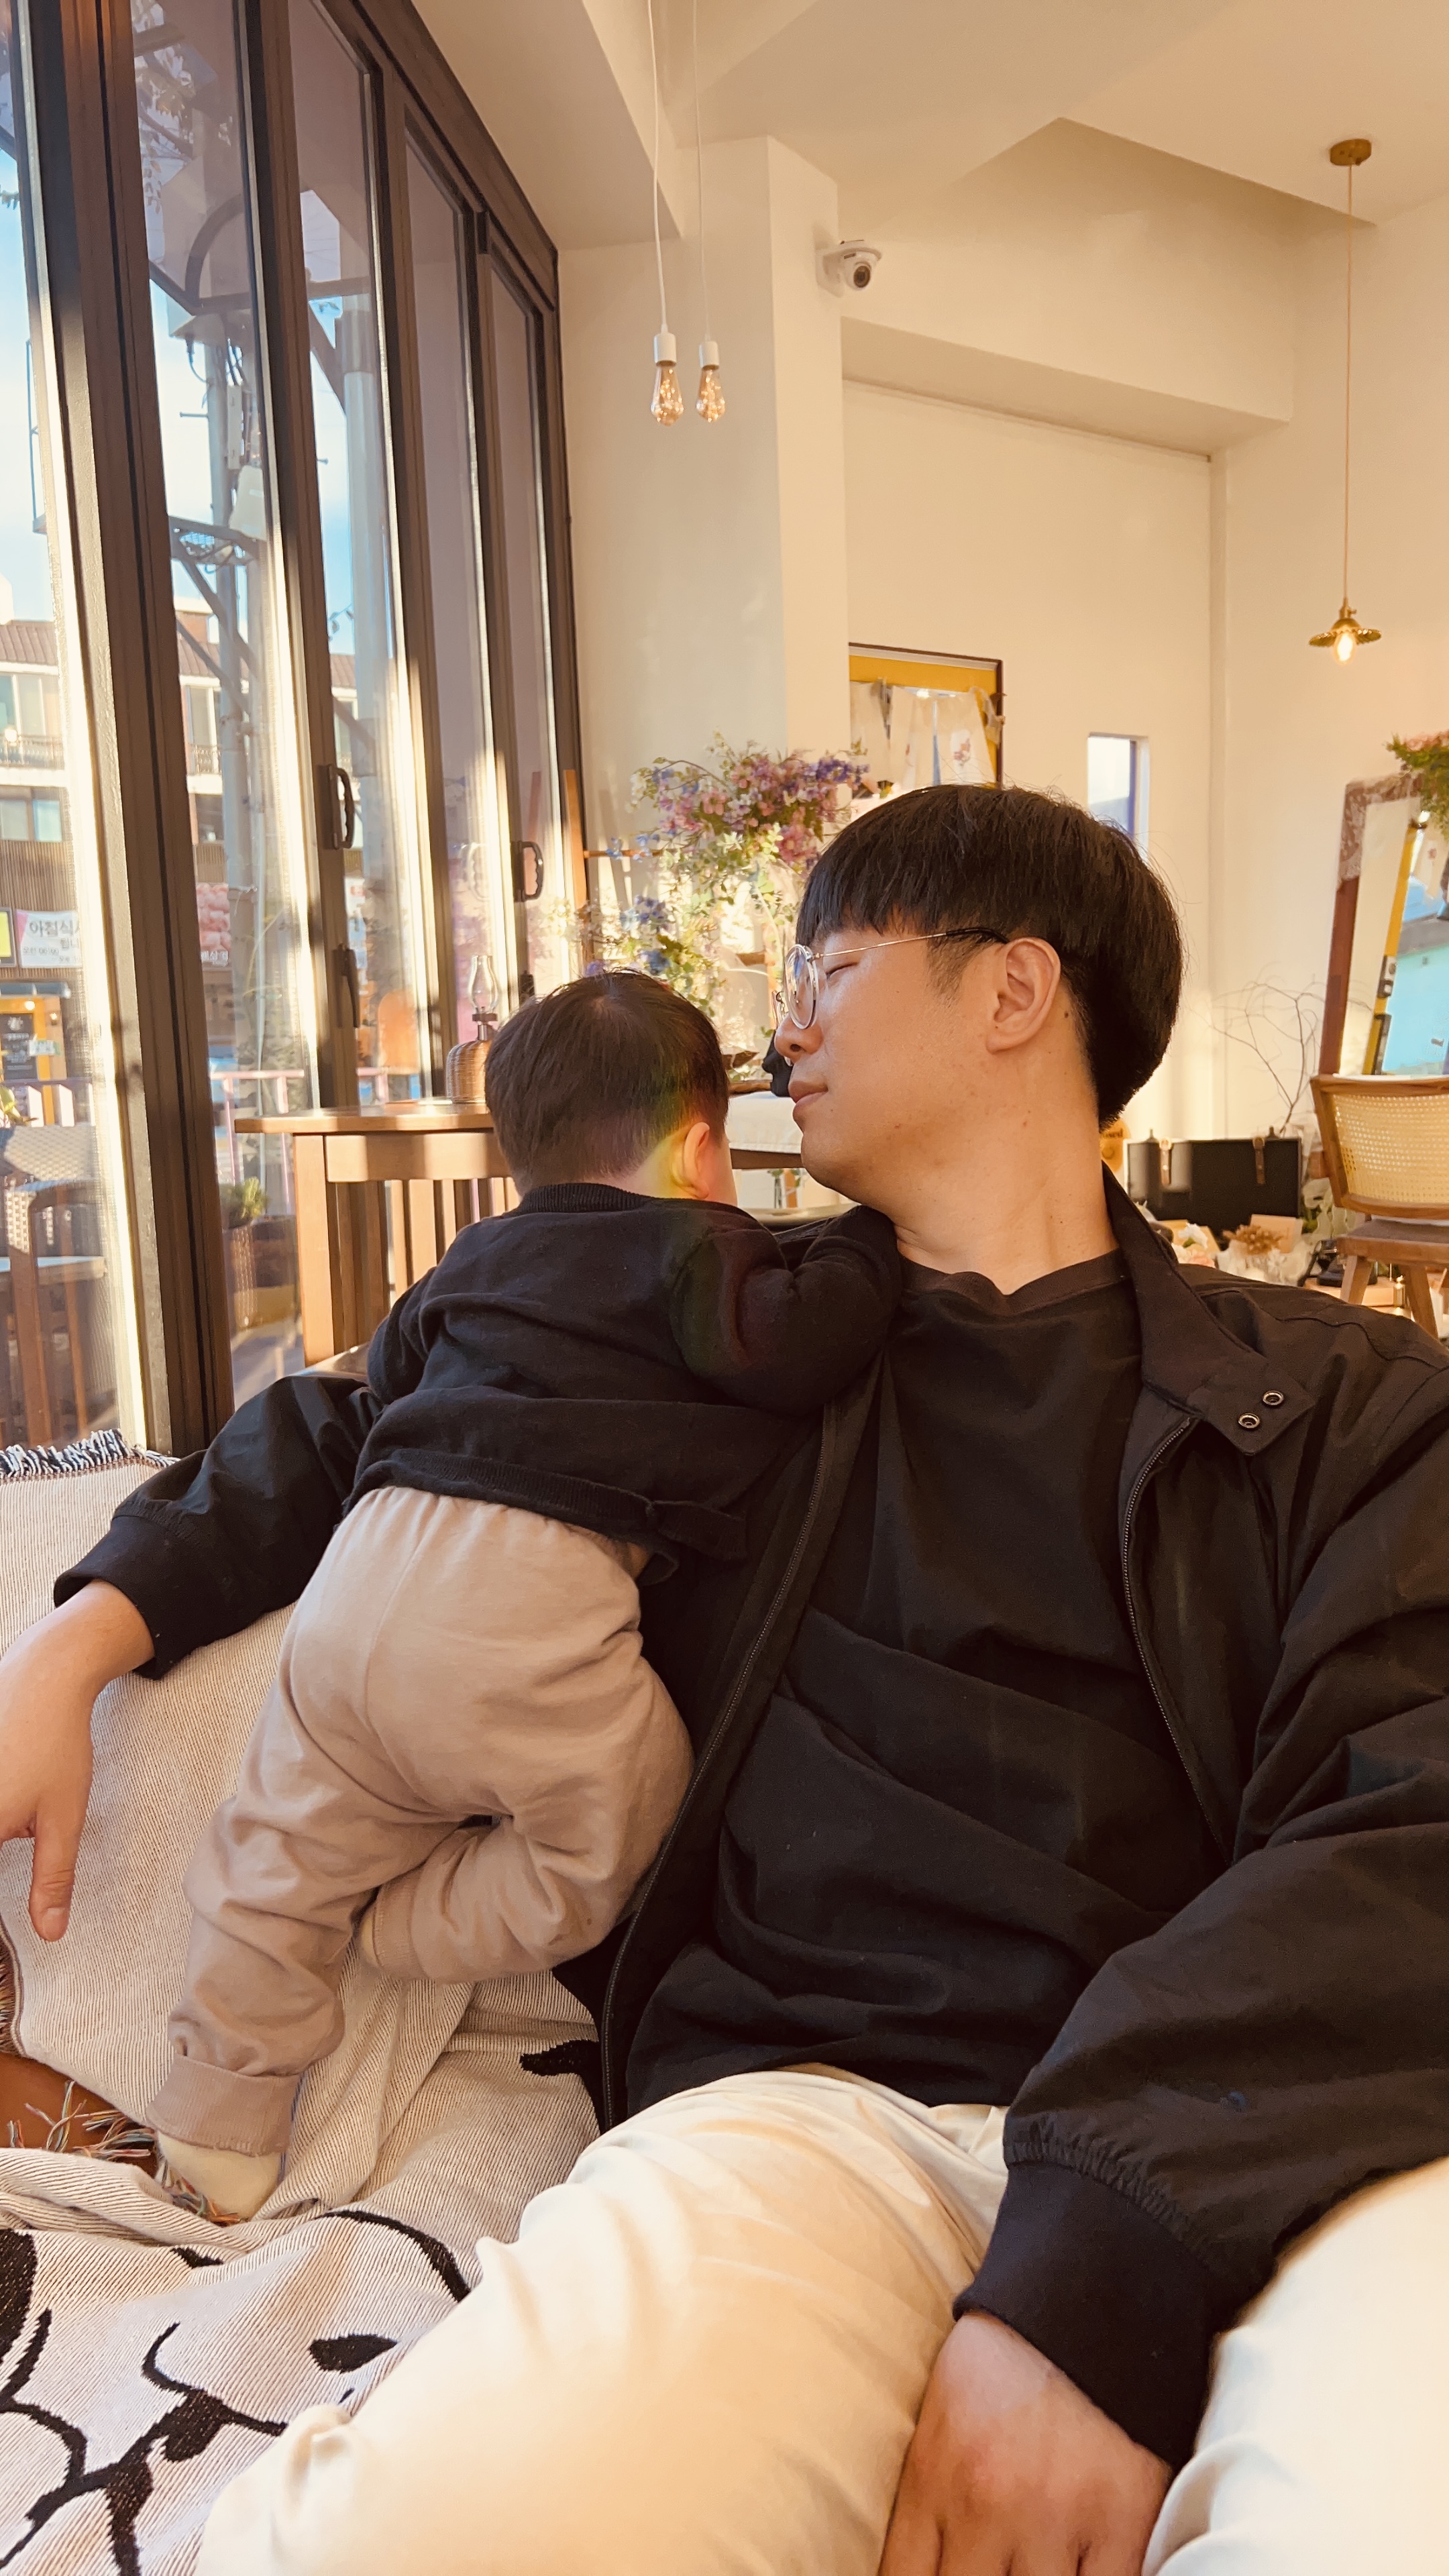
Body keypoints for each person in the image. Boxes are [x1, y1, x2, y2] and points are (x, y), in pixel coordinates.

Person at [1, 782, 1447, 2573]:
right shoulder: (706, 1323)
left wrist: (1111, 2251)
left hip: (1290, 2143)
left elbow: (1416, 1818)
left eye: (829, 969)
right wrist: (78, 1636)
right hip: (815, 2124)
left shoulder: (1351, 1402)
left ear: (1014, 991)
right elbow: (362, 1418)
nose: (781, 1028)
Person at [144, 970, 900, 2216]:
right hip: (517, 1606)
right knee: (621, 1810)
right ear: (699, 1152)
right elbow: (802, 1346)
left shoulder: (474, 1256)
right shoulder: (700, 1250)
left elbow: (391, 1374)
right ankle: (397, 1930)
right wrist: (870, 1234)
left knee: (268, 1856)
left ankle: (216, 2123)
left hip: (358, 1584)